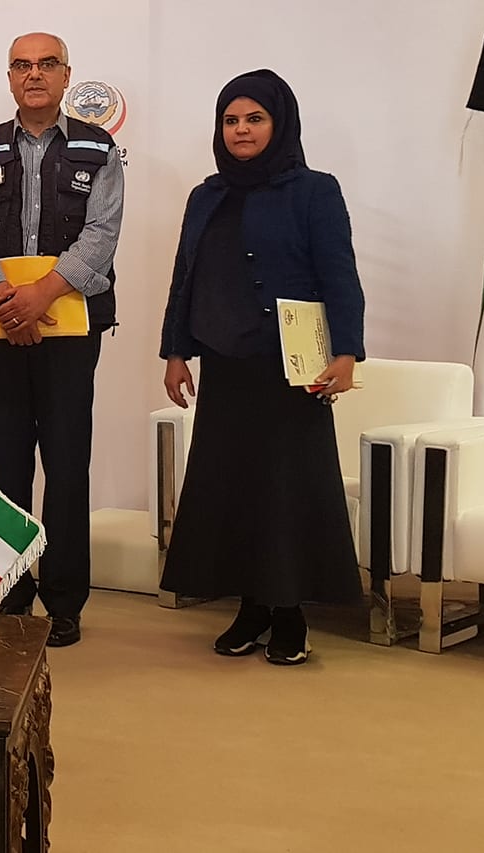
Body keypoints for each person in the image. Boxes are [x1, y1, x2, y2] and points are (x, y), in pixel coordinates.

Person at [158, 69, 364, 666]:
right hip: (226, 364)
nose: (241, 130)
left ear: (280, 124)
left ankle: (290, 615)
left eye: (255, 119)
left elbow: (339, 274)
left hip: (292, 369)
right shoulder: (206, 196)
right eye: (231, 120)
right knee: (232, 488)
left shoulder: (315, 191)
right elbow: (185, 278)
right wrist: (176, 352)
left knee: (287, 490)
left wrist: (347, 351)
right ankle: (251, 607)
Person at [0, 32, 125, 648]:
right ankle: (10, 593)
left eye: (47, 64)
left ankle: (64, 599)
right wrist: (7, 298)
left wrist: (43, 294)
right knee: (5, 466)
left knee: (67, 463)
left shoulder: (98, 147)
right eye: (22, 65)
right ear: (9, 77)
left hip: (70, 329)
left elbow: (102, 233)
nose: (34, 74)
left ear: (66, 75)